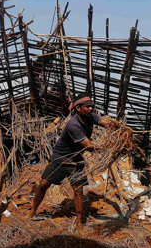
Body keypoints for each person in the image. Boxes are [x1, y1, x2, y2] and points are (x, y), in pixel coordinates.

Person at [28, 94, 117, 229]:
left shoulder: (91, 117)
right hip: (61, 157)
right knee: (43, 185)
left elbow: (106, 124)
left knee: (78, 191)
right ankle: (32, 212)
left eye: (91, 105)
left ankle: (79, 222)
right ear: (78, 108)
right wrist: (109, 147)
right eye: (87, 106)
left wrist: (120, 129)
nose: (91, 108)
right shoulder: (73, 125)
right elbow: (89, 146)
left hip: (76, 158)